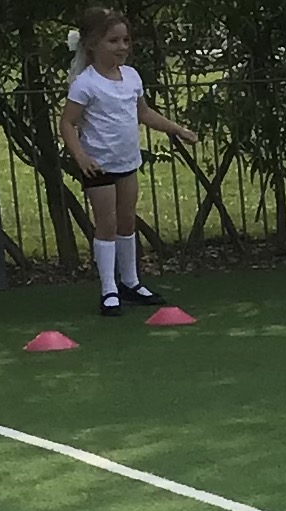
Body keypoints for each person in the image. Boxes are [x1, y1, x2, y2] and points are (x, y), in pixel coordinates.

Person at [59, 6, 198, 317]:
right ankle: (109, 289)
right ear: (92, 44)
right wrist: (81, 156)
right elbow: (67, 123)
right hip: (99, 166)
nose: (122, 47)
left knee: (127, 221)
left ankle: (130, 283)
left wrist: (177, 129)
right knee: (106, 224)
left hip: (127, 163)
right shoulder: (86, 83)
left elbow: (143, 112)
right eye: (113, 41)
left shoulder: (131, 77)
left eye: (125, 40)